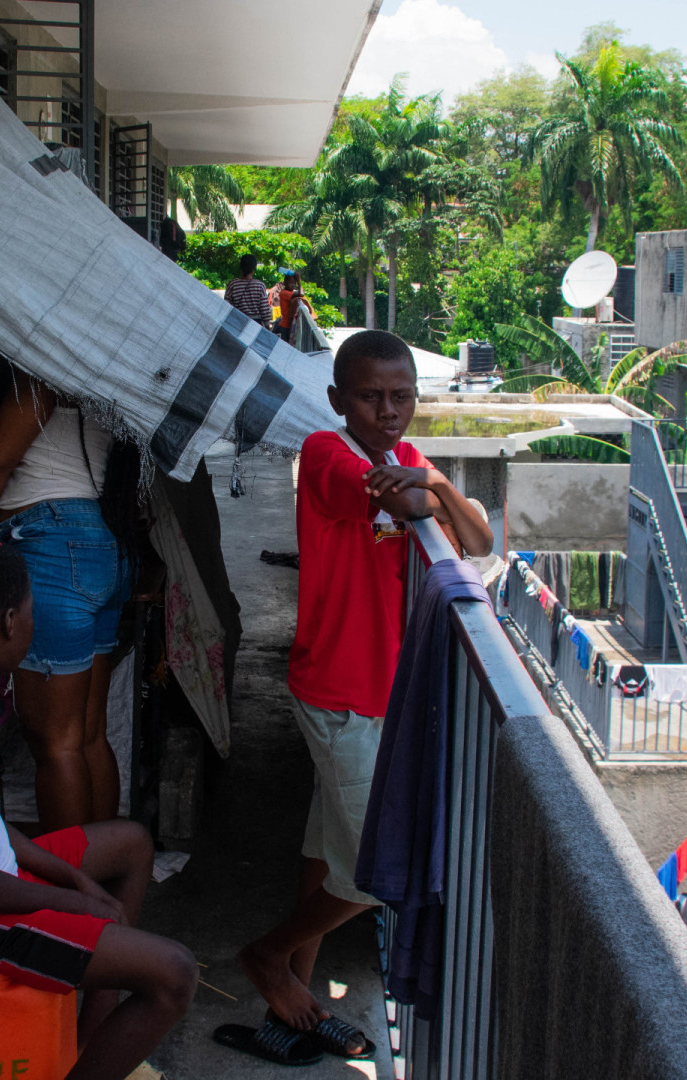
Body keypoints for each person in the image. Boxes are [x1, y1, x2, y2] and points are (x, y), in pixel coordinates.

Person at [218, 330, 492, 1067]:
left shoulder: (402, 462)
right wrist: (418, 492)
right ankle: (270, 957)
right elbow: (404, 511)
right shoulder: (328, 453)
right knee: (380, 868)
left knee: (327, 852)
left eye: (402, 397)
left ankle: (291, 1009)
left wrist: (429, 485)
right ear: (340, 400)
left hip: (381, 694)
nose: (389, 411)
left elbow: (479, 535)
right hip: (339, 689)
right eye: (371, 397)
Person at [0, 539, 197, 1080]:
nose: (32, 624)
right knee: (175, 974)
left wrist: (74, 877)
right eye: (30, 612)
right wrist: (73, 903)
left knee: (131, 846)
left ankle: (93, 1043)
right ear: (7, 622)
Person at [0, 372, 132, 831]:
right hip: (101, 544)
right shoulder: (101, 373)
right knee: (87, 736)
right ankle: (101, 872)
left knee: (56, 743)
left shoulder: (41, 373)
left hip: (52, 547)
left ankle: (72, 890)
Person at [224, 253, 272, 332]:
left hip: (237, 324)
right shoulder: (260, 285)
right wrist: (267, 327)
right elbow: (264, 310)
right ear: (254, 268)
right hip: (255, 326)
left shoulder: (232, 284)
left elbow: (227, 306)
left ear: (241, 267)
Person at [270, 271, 305, 348]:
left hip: (288, 324)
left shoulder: (290, 292)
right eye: (290, 282)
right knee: (286, 347)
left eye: (294, 283)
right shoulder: (284, 293)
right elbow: (301, 294)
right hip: (285, 326)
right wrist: (299, 280)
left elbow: (301, 293)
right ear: (285, 283)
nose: (293, 285)